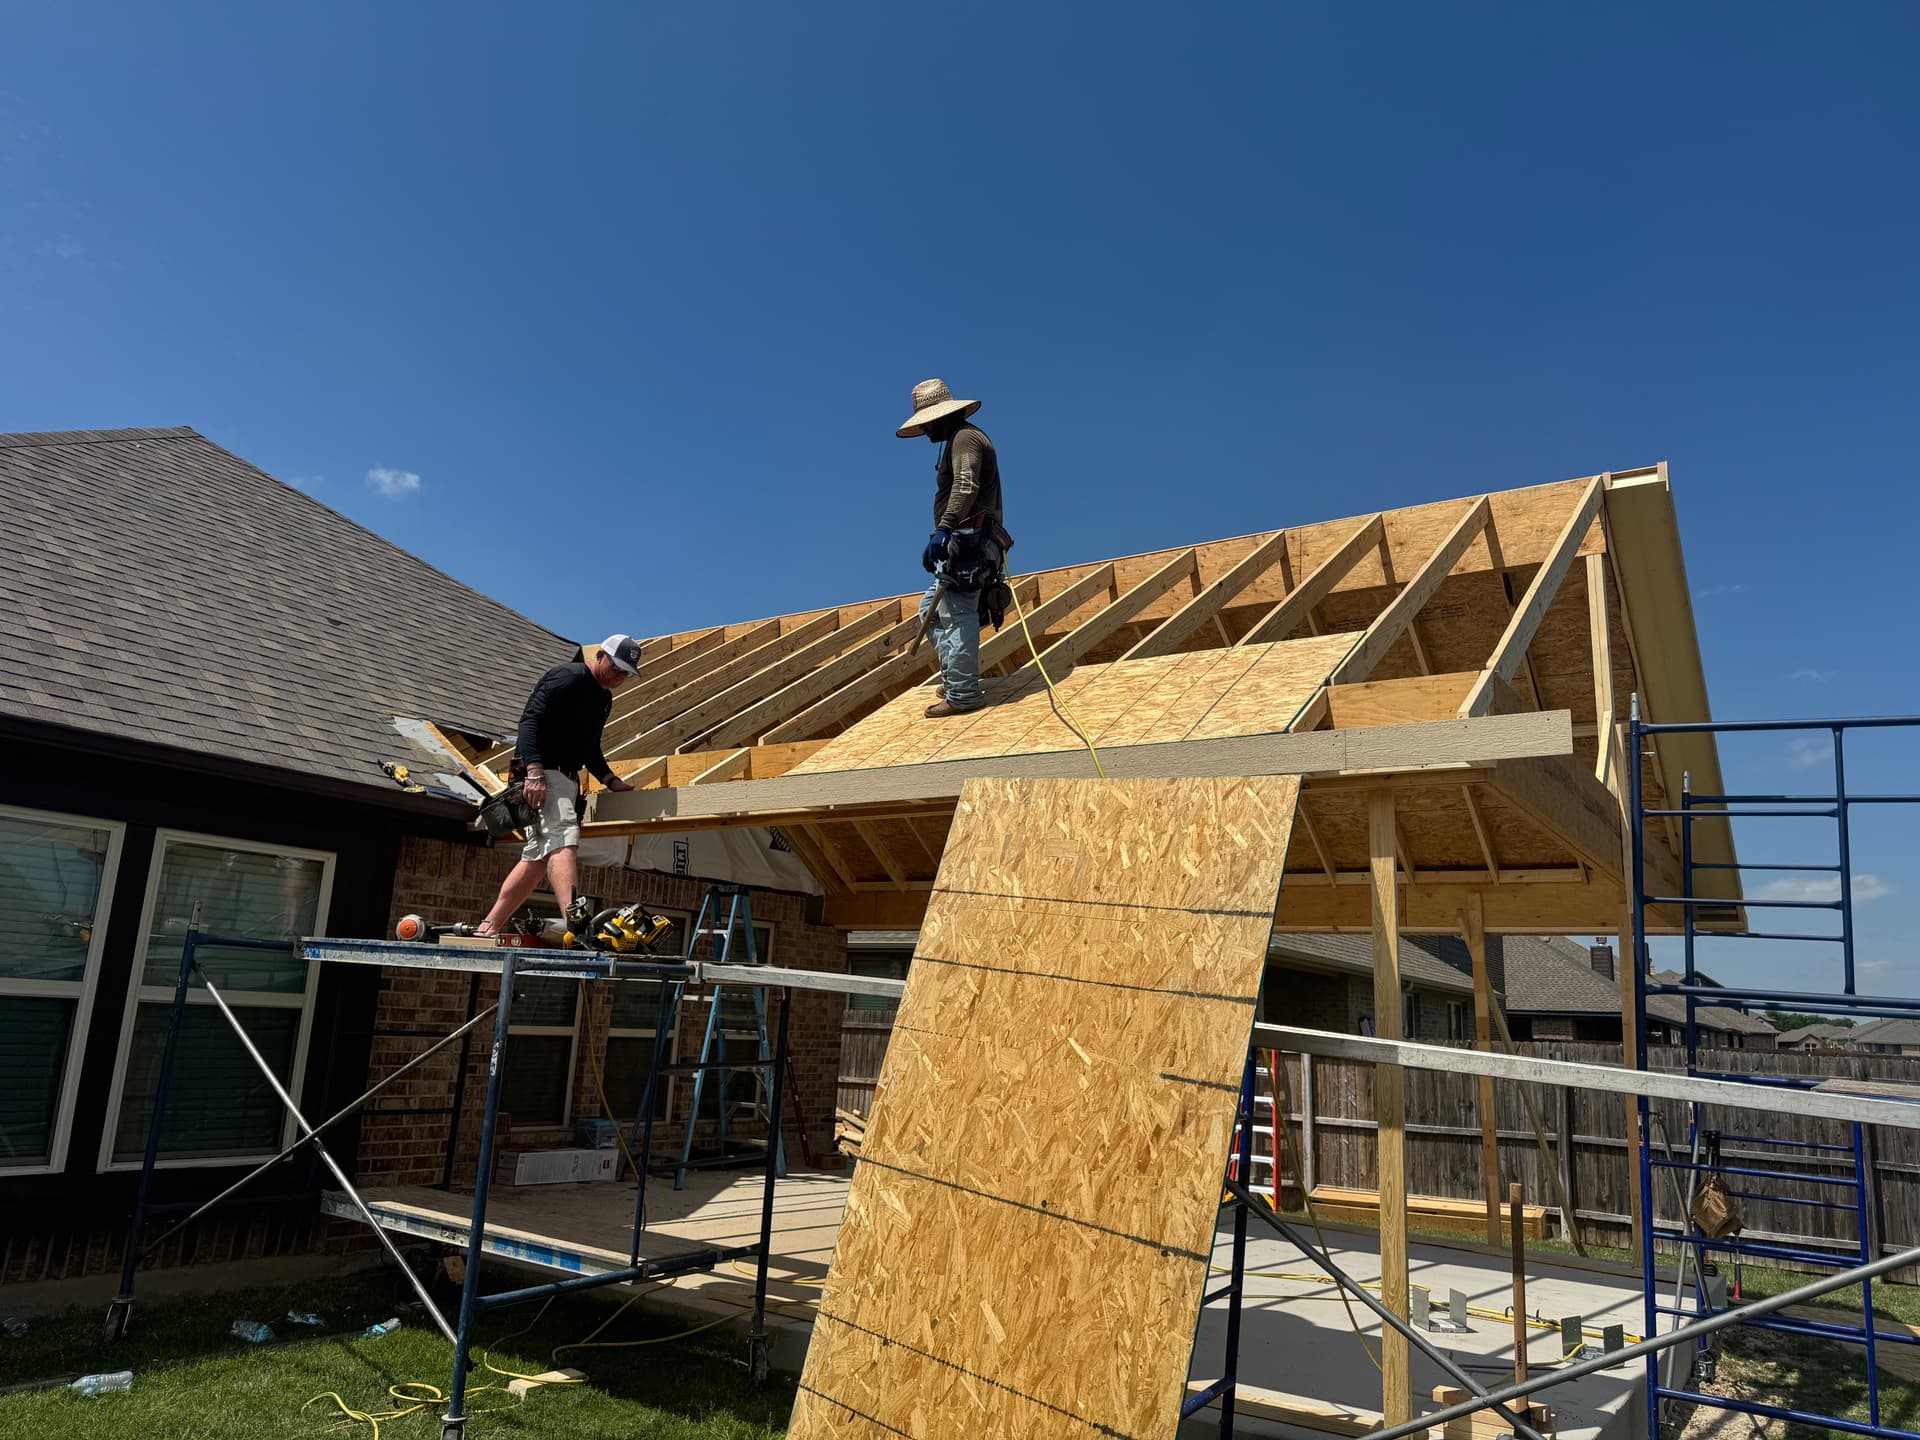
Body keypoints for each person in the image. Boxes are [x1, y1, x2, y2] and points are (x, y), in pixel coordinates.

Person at [476, 635, 641, 936]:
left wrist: (610, 780)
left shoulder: (603, 698)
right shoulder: (567, 678)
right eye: (616, 668)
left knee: (537, 858)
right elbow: (530, 721)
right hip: (545, 773)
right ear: (601, 656)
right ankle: (574, 920)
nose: (620, 677)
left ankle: (488, 926)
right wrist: (534, 772)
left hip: (564, 778)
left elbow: (590, 747)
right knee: (565, 838)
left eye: (626, 673)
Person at [897, 378, 1009, 717]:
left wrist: (944, 529)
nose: (926, 430)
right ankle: (957, 678)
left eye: (928, 422)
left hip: (970, 542)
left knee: (955, 613)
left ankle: (963, 694)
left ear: (943, 416)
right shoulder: (958, 440)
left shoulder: (965, 438)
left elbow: (965, 484)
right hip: (964, 542)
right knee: (930, 610)